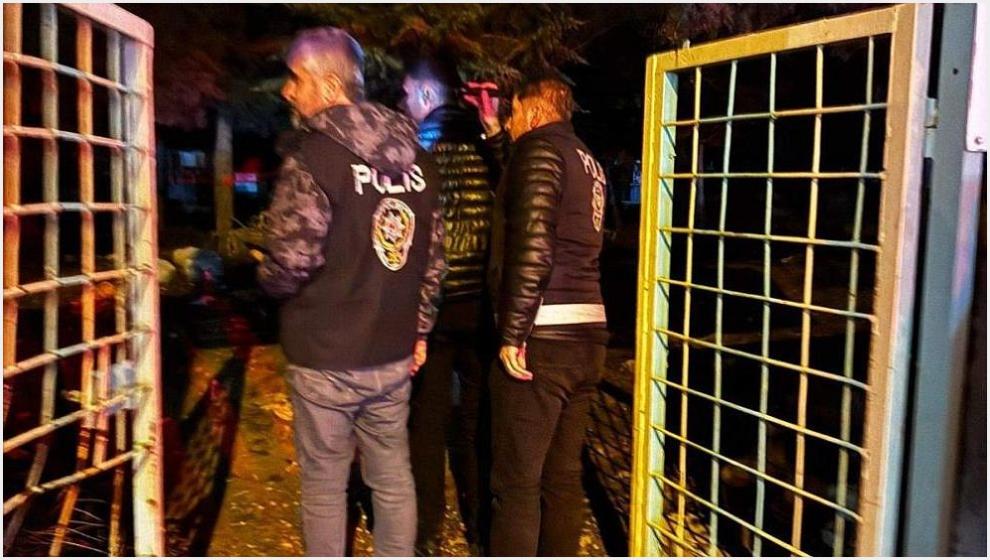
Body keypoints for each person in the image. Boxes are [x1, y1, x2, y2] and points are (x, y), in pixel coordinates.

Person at [255, 27, 445, 557]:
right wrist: (420, 330)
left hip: (325, 354)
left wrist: (266, 280)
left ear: (329, 84)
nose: (287, 91)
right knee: (393, 476)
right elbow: (433, 261)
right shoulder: (419, 161)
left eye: (295, 79)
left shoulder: (313, 158)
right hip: (391, 352)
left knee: (324, 485)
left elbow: (292, 258)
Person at [484, 76, 609, 557]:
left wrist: (513, 332)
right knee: (562, 476)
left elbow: (533, 246)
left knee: (516, 483)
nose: (511, 122)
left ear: (534, 112)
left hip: (543, 336)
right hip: (587, 334)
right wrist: (494, 135)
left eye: (513, 113)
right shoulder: (585, 158)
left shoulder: (538, 152)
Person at [399, 56, 498, 556]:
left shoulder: (417, 151)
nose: (402, 103)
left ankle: (427, 534)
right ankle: (481, 526)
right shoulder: (487, 147)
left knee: (427, 422)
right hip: (481, 305)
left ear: (425, 95)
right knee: (477, 421)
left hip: (434, 308)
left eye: (406, 94)